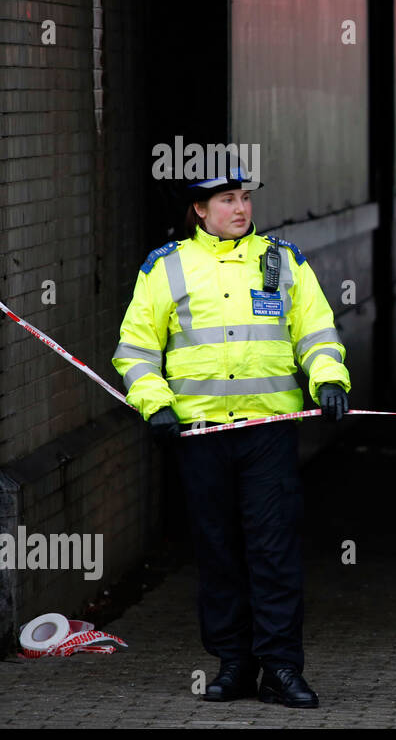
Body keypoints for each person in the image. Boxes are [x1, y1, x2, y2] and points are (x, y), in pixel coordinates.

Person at [113, 163, 351, 709]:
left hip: (268, 431)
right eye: (226, 200)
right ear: (199, 210)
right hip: (200, 435)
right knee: (219, 554)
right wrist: (156, 404)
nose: (241, 208)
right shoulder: (166, 268)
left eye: (244, 198)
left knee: (274, 553)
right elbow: (137, 350)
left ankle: (282, 669)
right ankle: (234, 666)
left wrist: (330, 379)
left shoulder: (283, 261)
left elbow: (314, 331)